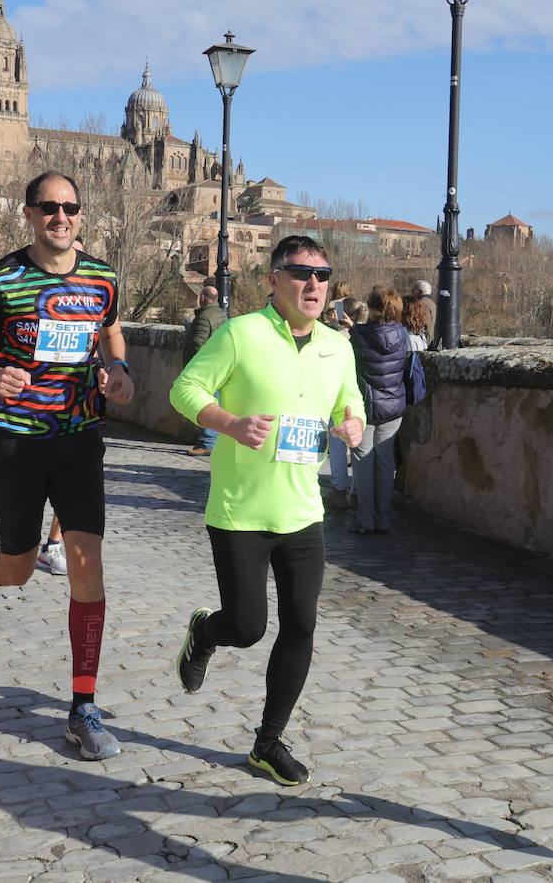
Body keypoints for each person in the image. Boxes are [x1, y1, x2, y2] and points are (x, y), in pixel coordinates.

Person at [0, 170, 134, 761]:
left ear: (82, 214)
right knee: (21, 568)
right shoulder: (0, 278)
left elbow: (111, 332)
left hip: (80, 437)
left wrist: (121, 371)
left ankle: (82, 708)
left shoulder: (102, 276)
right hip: (16, 441)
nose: (61, 217)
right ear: (28, 214)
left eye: (71, 207)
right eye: (48, 208)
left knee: (86, 564)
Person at [171, 234, 365, 785]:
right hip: (240, 511)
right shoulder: (241, 333)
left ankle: (267, 742)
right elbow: (184, 389)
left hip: (303, 512)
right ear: (273, 280)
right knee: (248, 626)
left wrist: (353, 422)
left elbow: (349, 400)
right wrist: (229, 423)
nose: (313, 284)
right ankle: (206, 633)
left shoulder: (337, 345)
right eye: (301, 273)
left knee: (301, 624)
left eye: (322, 275)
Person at [348, 286, 409, 534]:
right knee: (385, 462)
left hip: (366, 406)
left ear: (372, 308)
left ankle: (365, 518)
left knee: (363, 461)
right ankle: (383, 517)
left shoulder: (361, 335)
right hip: (393, 406)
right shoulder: (403, 334)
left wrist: (352, 326)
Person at [183, 284, 227, 456]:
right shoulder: (222, 314)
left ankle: (208, 442)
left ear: (202, 298)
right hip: (219, 366)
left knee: (206, 403)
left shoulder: (204, 317)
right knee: (215, 402)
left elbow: (198, 343)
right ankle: (212, 440)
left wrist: (196, 366)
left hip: (207, 369)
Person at [411, 279, 436, 346]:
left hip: (422, 343)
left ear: (420, 292)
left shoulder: (421, 305)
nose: (411, 292)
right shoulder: (432, 304)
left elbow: (423, 325)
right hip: (430, 342)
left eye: (414, 290)